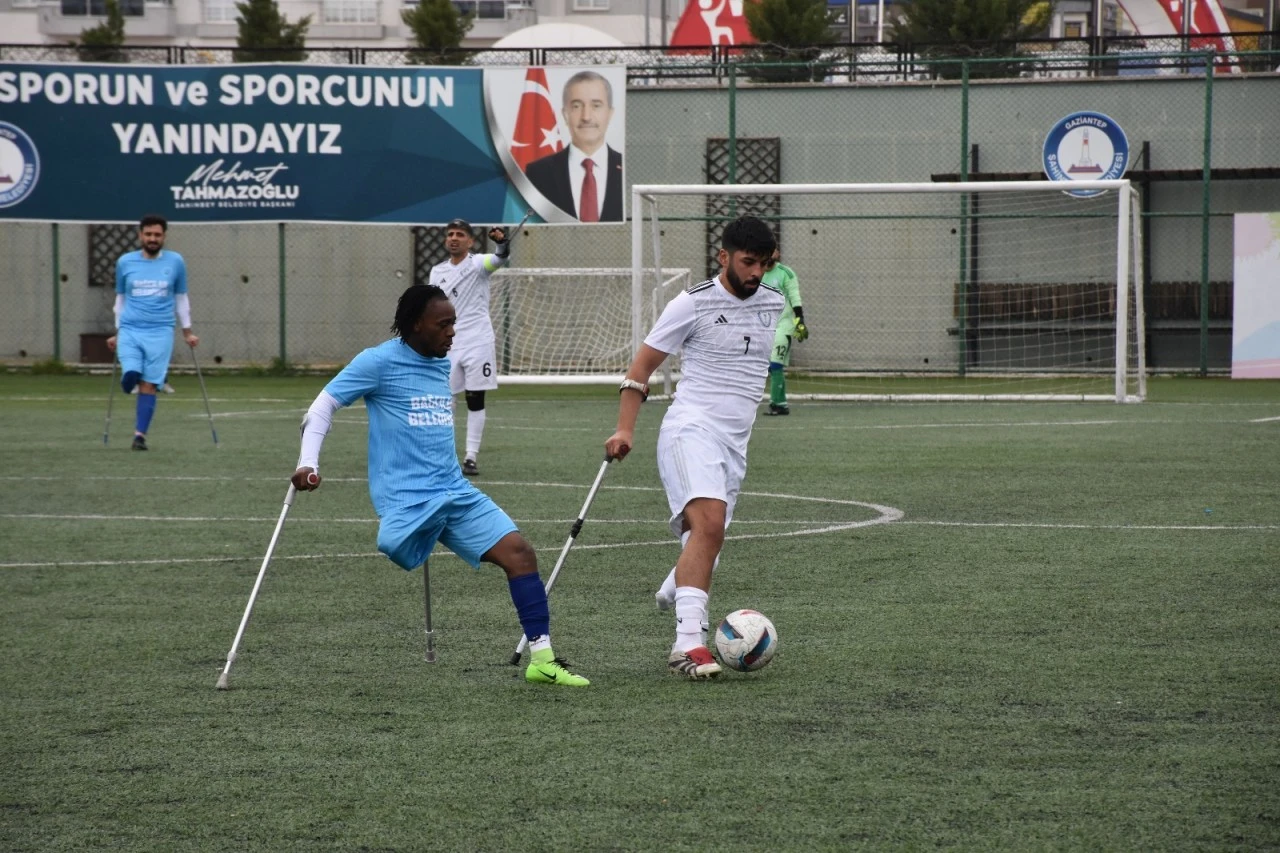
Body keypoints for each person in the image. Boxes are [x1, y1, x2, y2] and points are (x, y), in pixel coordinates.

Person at [291, 283, 589, 688]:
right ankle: (413, 530)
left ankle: (543, 659)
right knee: (395, 545)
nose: (452, 333)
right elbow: (323, 405)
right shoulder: (377, 362)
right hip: (406, 497)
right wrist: (308, 462)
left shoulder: (441, 362)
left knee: (520, 553)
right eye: (443, 324)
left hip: (454, 490)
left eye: (454, 324)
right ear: (417, 325)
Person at [604, 216, 783, 679]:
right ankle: (687, 646)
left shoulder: (774, 303)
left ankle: (672, 590)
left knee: (708, 540)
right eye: (748, 262)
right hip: (690, 430)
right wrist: (625, 429)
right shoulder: (692, 303)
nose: (756, 273)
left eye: (764, 264)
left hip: (735, 446)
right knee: (709, 527)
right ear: (723, 257)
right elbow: (640, 368)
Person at [106, 214, 198, 451]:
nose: (152, 238)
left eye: (157, 234)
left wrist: (187, 332)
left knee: (149, 384)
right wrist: (116, 332)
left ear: (164, 236)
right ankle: (129, 380)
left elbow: (181, 298)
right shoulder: (125, 262)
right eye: (148, 234)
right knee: (132, 370)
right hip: (130, 328)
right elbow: (120, 299)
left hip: (161, 331)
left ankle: (139, 436)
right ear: (140, 235)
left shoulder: (175, 262)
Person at [428, 218, 512, 477]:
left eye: (460, 234)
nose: (454, 238)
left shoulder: (478, 264)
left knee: (475, 399)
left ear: (470, 241)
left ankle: (471, 457)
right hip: (449, 344)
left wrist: (501, 244)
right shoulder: (437, 271)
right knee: (446, 401)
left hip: (478, 342)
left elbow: (499, 259)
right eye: (451, 234)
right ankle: (445, 457)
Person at [524, 70, 623, 223]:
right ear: (565, 114)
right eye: (576, 106)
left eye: (596, 106)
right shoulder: (538, 173)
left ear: (610, 113)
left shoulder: (626, 168)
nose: (586, 117)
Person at [762, 247, 809, 416]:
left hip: (784, 325)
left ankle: (777, 404)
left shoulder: (786, 273)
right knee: (768, 366)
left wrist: (800, 321)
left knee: (775, 363)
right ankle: (781, 404)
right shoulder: (757, 273)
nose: (769, 254)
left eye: (772, 251)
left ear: (777, 253)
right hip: (764, 326)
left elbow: (795, 296)